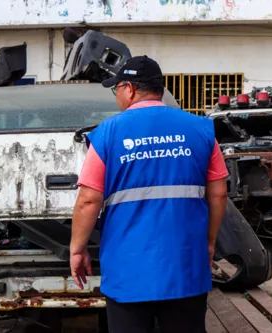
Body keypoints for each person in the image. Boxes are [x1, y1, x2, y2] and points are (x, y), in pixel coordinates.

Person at [69, 55, 229, 333]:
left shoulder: (108, 133)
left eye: (116, 88)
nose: (116, 95)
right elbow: (218, 195)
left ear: (129, 89)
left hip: (128, 271)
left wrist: (77, 249)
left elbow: (88, 200)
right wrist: (210, 242)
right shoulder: (200, 129)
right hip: (186, 265)